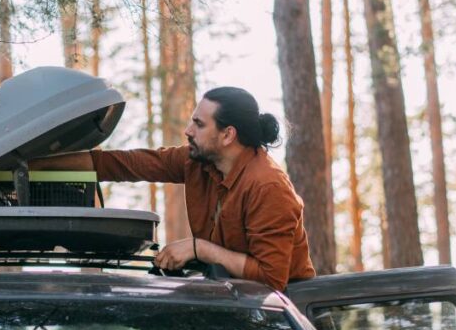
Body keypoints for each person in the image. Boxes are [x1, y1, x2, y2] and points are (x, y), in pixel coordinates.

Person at [31, 87, 315, 290]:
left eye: (199, 124)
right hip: (232, 303)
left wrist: (200, 249)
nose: (188, 131)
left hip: (285, 321)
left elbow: (271, 277)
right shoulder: (197, 162)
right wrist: (29, 164)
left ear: (228, 135)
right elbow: (123, 164)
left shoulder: (268, 187)